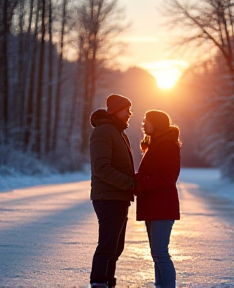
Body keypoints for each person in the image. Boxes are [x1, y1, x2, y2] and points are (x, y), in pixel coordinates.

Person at [89, 94, 136, 288]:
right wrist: (129, 183)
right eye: (126, 109)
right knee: (108, 245)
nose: (129, 113)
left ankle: (107, 282)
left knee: (116, 247)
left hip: (118, 196)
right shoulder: (104, 132)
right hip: (108, 197)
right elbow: (101, 168)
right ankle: (99, 281)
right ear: (116, 110)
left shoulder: (117, 132)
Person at [135, 110, 181, 288]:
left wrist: (141, 183)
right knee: (157, 254)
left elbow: (167, 177)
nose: (143, 124)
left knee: (160, 253)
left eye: (147, 121)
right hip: (153, 206)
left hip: (162, 206)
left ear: (157, 124)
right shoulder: (156, 144)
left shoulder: (167, 145)